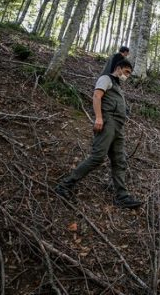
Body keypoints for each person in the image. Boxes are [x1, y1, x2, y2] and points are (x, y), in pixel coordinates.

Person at [54, 58, 143, 209]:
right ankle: (64, 185)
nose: (127, 76)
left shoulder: (118, 87)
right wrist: (99, 118)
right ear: (119, 68)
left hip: (118, 128)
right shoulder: (106, 78)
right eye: (126, 72)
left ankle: (122, 197)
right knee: (98, 157)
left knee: (120, 161)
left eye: (129, 73)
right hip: (107, 122)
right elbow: (96, 96)